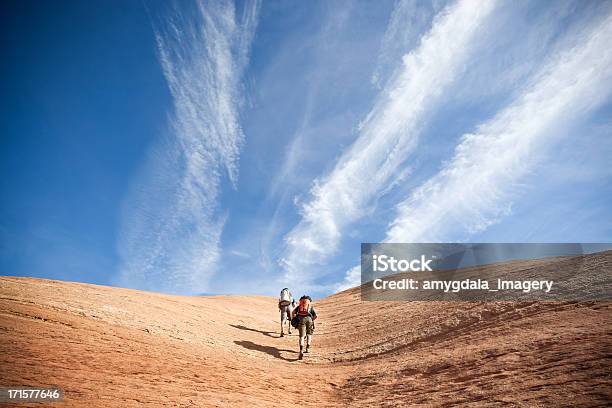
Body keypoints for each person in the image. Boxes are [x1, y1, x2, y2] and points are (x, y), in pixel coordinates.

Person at [291, 295, 317, 360]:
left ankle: (301, 351)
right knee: (309, 334)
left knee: (301, 336)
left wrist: (295, 318)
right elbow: (316, 316)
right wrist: (311, 320)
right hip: (309, 320)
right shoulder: (310, 307)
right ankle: (307, 348)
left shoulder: (299, 306)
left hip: (301, 320)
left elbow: (293, 312)